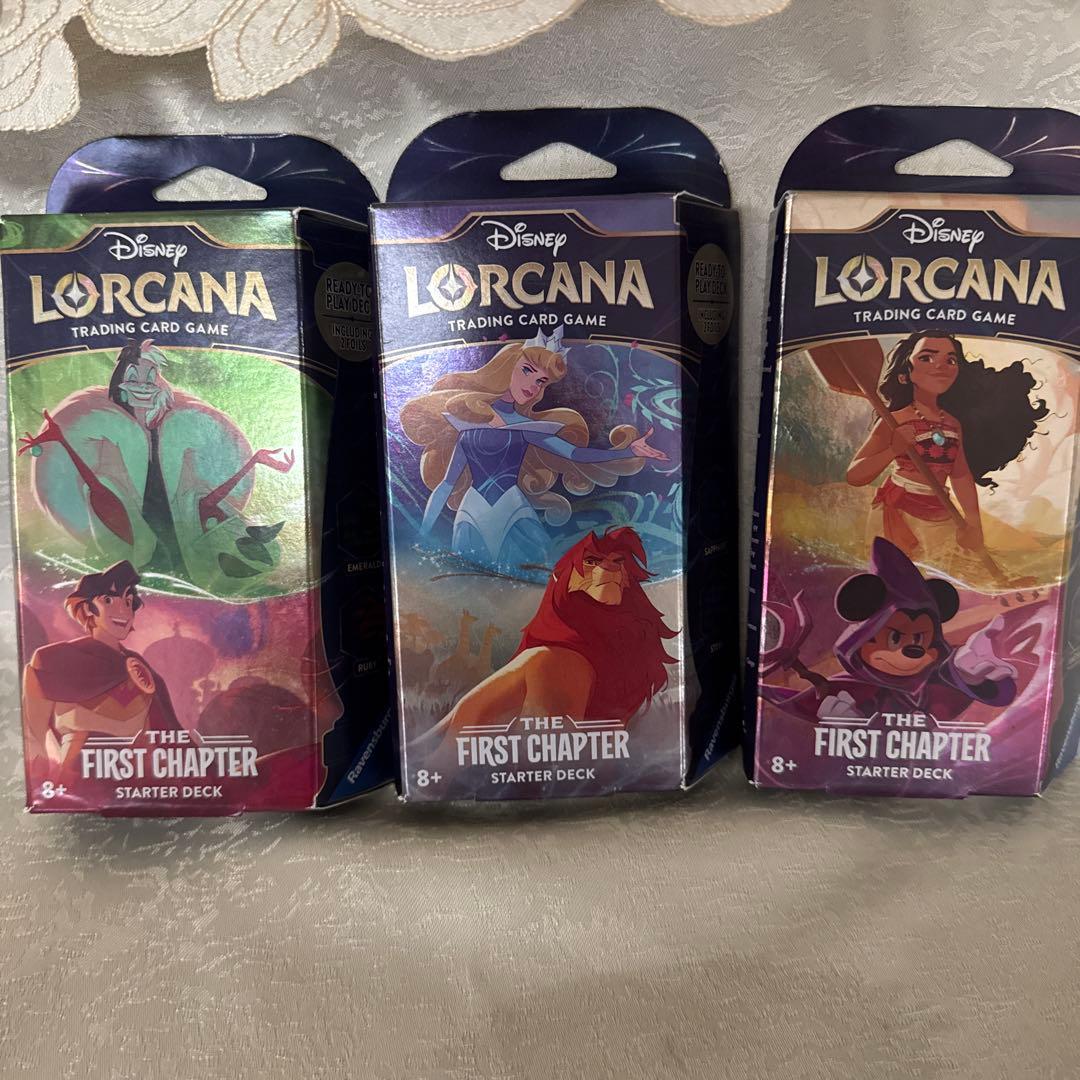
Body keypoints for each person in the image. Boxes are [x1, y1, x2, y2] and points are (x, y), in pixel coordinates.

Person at [401, 326, 667, 571]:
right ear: (507, 367)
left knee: (532, 579)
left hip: (513, 510)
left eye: (541, 381)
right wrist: (422, 533)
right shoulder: (467, 422)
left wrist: (629, 451)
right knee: (472, 585)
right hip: (472, 512)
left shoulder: (527, 427)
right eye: (527, 371)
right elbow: (446, 484)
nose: (533, 385)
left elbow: (574, 454)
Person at [846, 330, 1048, 570]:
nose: (940, 365)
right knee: (899, 575)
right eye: (927, 358)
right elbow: (855, 475)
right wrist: (892, 450)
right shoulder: (894, 421)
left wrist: (974, 525)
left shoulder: (953, 424)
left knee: (949, 572)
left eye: (950, 360)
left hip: (940, 512)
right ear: (905, 374)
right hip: (898, 513)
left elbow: (960, 475)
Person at [21, 561, 180, 777]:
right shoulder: (53, 660)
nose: (122, 611)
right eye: (108, 600)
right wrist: (45, 780)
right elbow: (34, 735)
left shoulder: (141, 669)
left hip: (132, 783)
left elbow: (153, 742)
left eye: (128, 602)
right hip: (76, 779)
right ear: (88, 608)